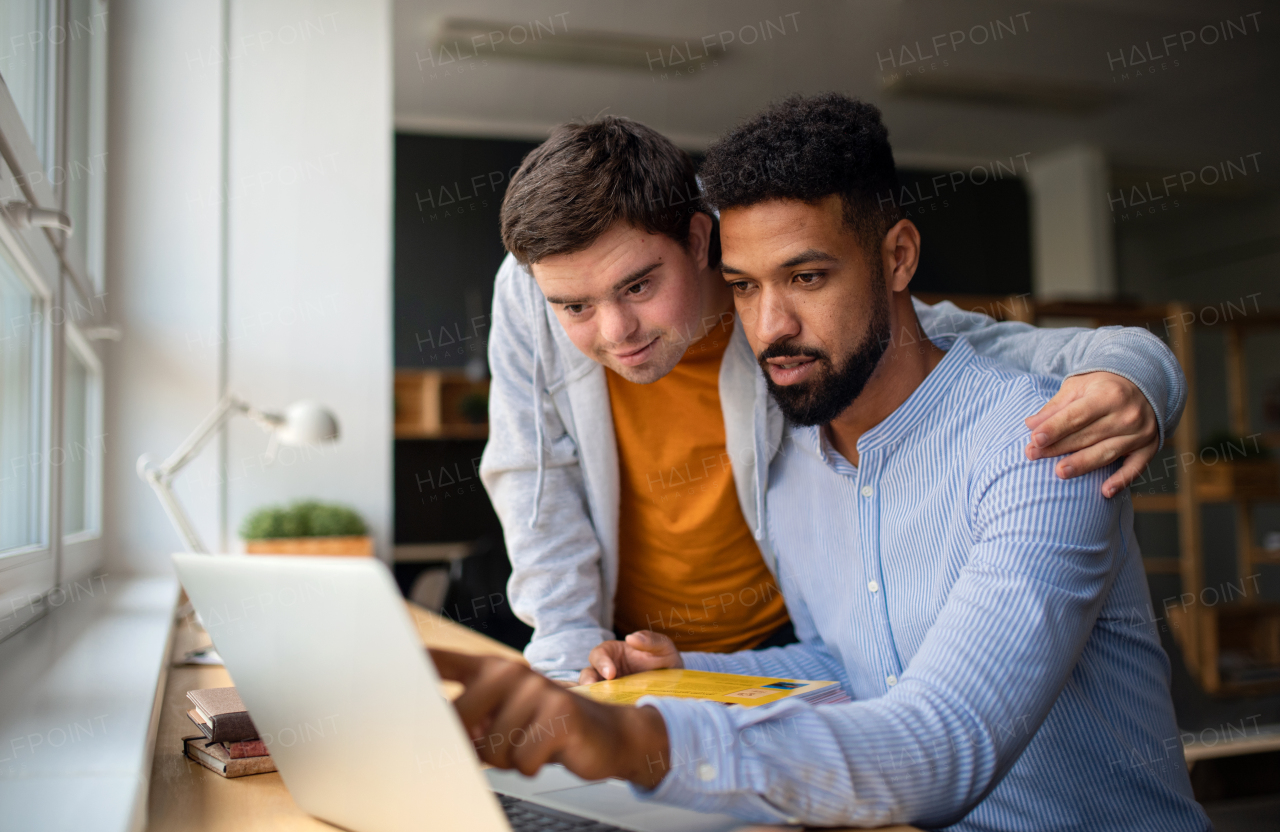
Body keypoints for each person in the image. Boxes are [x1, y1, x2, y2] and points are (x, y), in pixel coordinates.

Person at [437, 94, 1210, 830]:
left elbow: (941, 745)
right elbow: (852, 663)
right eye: (745, 289)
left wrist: (1136, 367)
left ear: (698, 247)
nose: (771, 327)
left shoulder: (1040, 444)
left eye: (805, 278)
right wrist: (647, 678)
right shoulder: (805, 458)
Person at [481, 116, 1185, 681]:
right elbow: (533, 472)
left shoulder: (757, 261)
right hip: (633, 652)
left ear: (700, 241)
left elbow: (931, 334)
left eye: (638, 287)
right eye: (574, 306)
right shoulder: (531, 290)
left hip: (789, 636)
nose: (614, 330)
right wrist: (568, 657)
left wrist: (1137, 370)